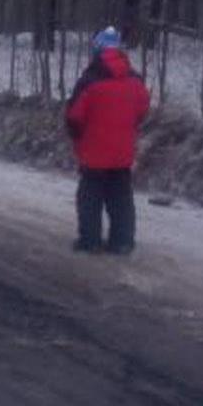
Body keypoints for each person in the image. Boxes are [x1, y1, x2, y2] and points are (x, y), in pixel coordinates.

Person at [65, 31, 152, 255]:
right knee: (121, 196)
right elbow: (142, 109)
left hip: (94, 152)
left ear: (97, 50)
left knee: (90, 196)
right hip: (122, 152)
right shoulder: (135, 79)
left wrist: (77, 137)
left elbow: (74, 116)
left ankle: (90, 241)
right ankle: (122, 242)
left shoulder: (89, 79)